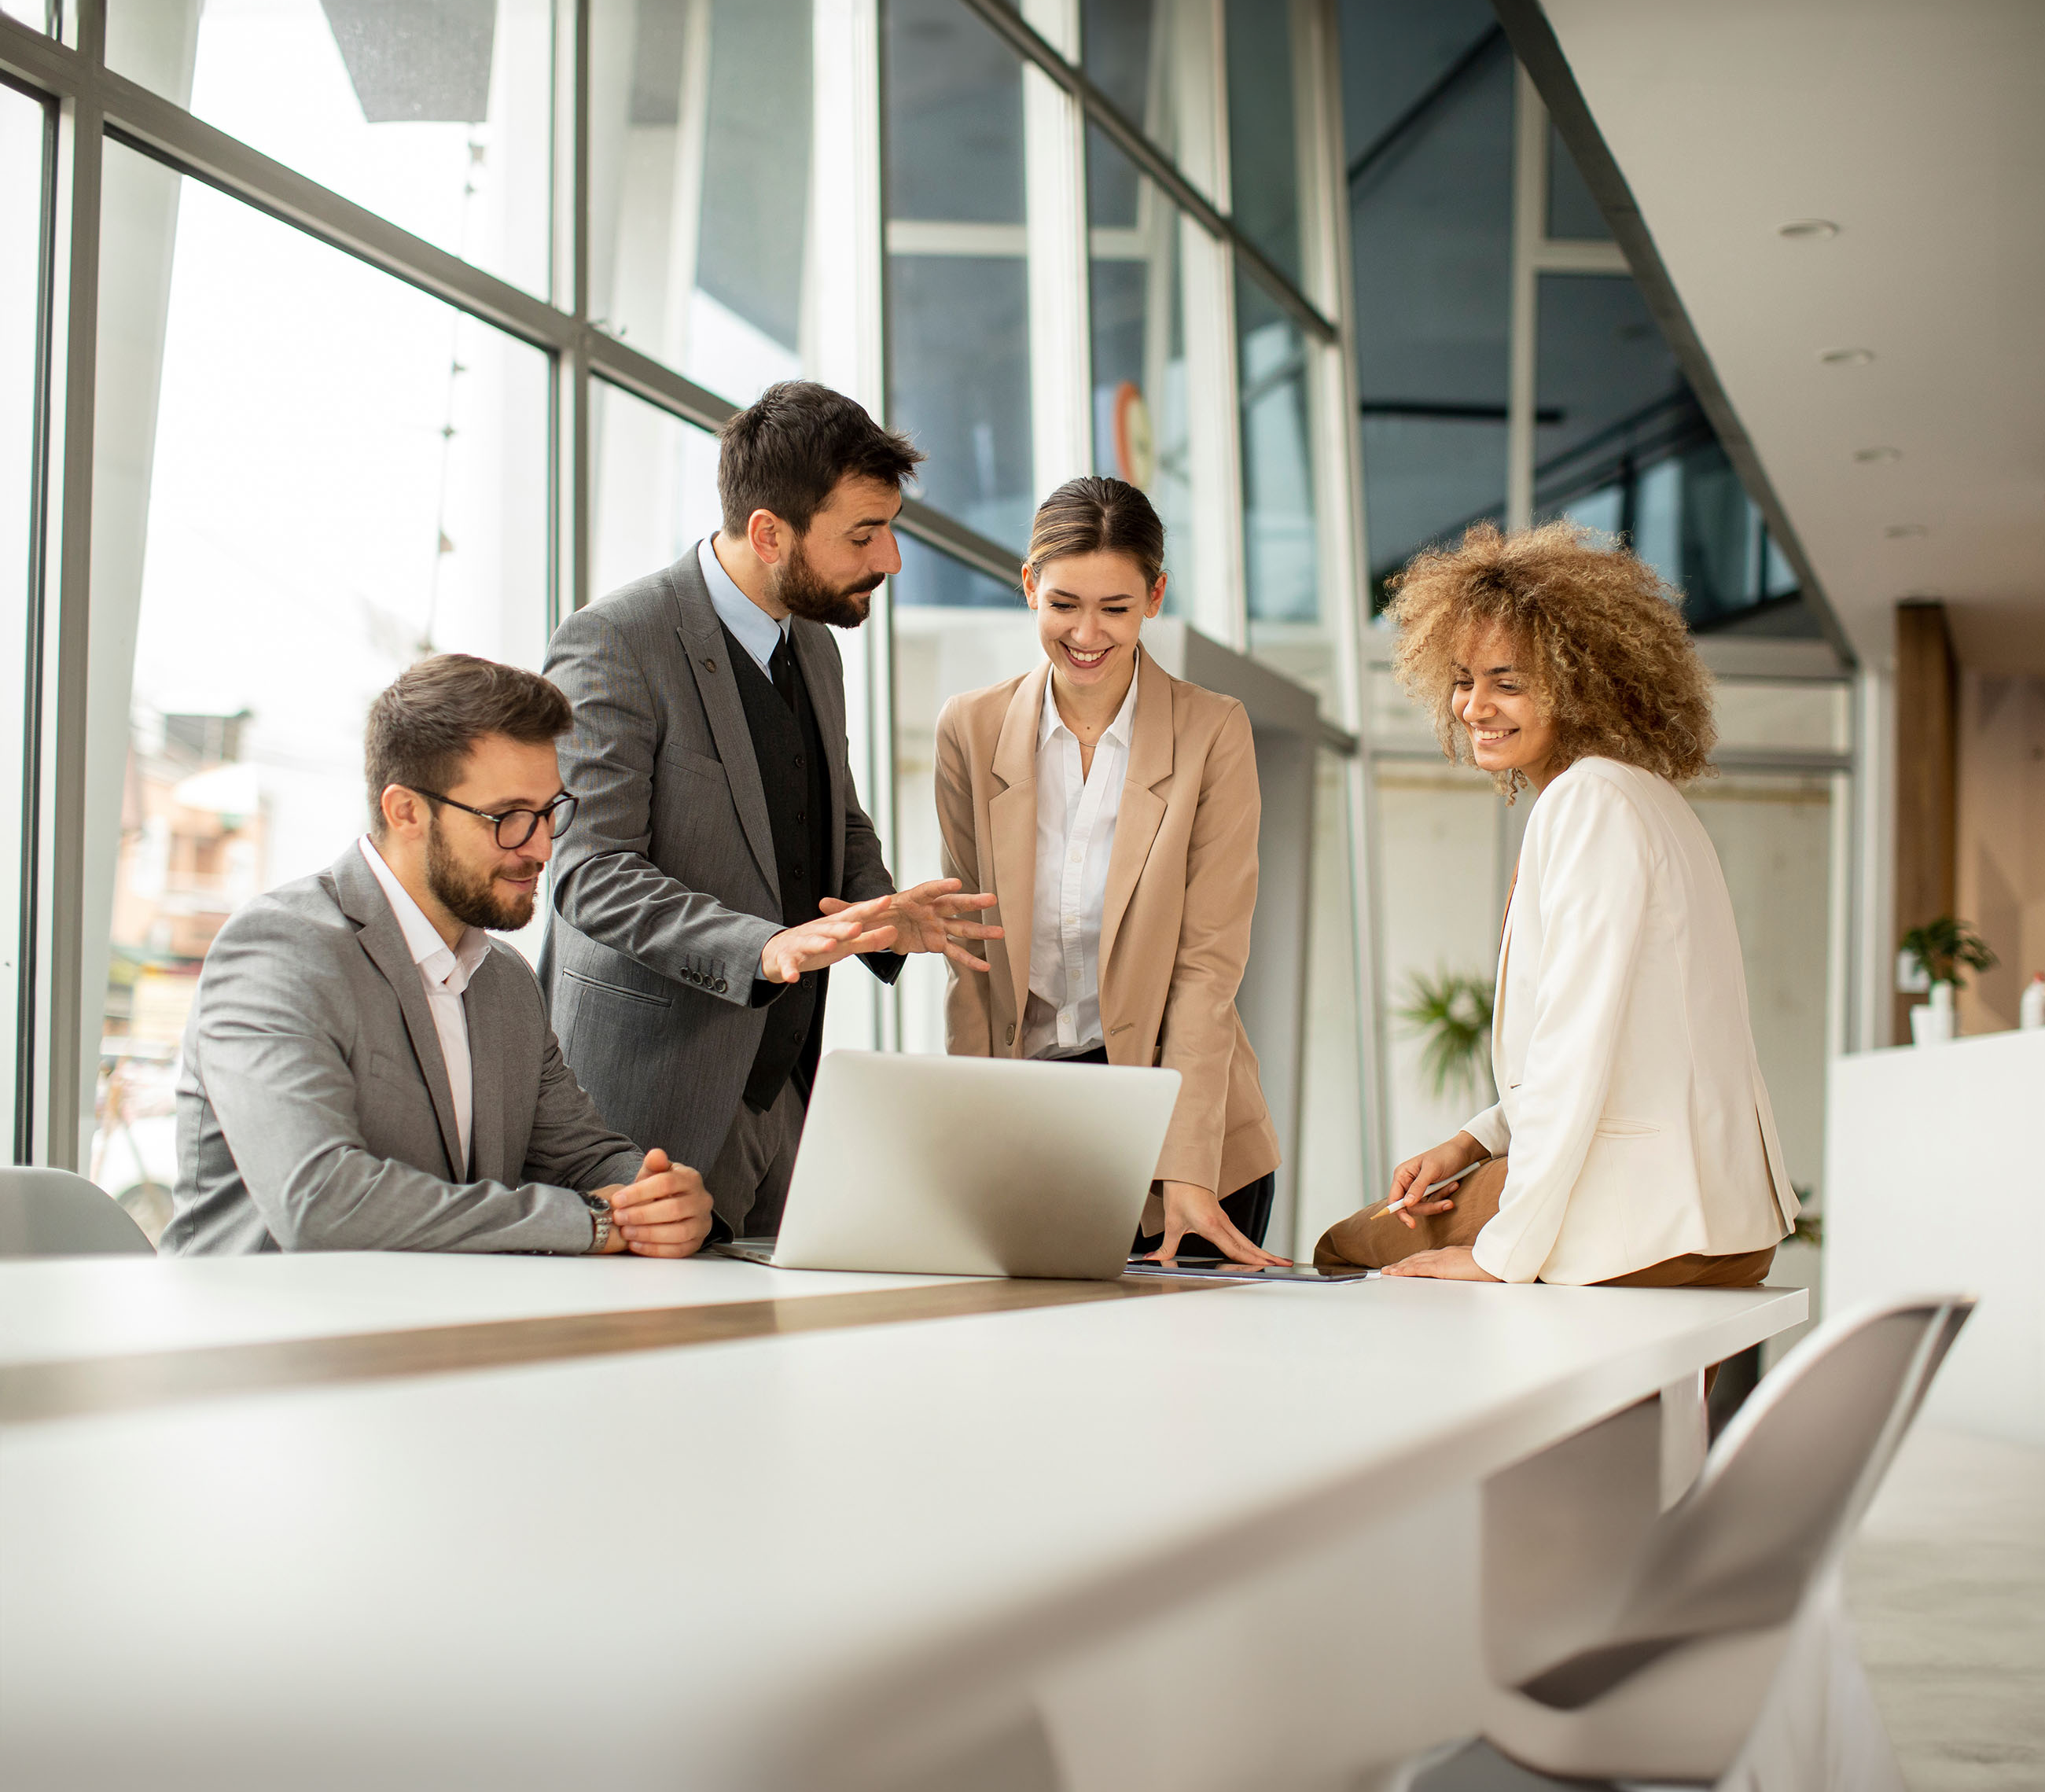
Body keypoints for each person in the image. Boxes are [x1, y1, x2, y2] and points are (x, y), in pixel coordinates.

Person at [543, 381, 1002, 1237]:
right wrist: (766, 946)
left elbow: (832, 808)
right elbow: (588, 874)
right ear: (768, 532)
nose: (891, 560)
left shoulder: (815, 645)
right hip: (646, 1106)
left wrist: (884, 908)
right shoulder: (616, 641)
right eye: (864, 535)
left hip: (784, 1092)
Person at [1315, 522, 1800, 1285]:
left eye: (1508, 682)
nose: (1475, 707)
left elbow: (1577, 1046)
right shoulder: (1649, 800)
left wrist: (1500, 1254)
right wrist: (1473, 1142)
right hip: (1723, 1223)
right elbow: (1632, 1041)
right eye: (1464, 678)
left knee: (1349, 1246)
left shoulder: (1588, 803)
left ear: (1582, 682)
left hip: (1641, 1222)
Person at [165, 656, 715, 1257]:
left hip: (442, 1330)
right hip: (265, 1334)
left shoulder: (503, 978)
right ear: (406, 812)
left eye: (550, 812)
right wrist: (593, 1222)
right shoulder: (278, 952)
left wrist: (658, 1197)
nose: (538, 848)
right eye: (507, 817)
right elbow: (320, 1203)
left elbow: (583, 1154)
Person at [932, 476, 1282, 1268]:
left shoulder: (1212, 732)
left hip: (1184, 1134)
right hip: (1034, 1122)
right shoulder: (971, 728)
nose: (1086, 633)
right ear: (1029, 586)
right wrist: (966, 1145)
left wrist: (1185, 1167)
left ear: (1155, 596)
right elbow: (970, 956)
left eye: (1115, 609)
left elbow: (1207, 968)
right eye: (1064, 604)